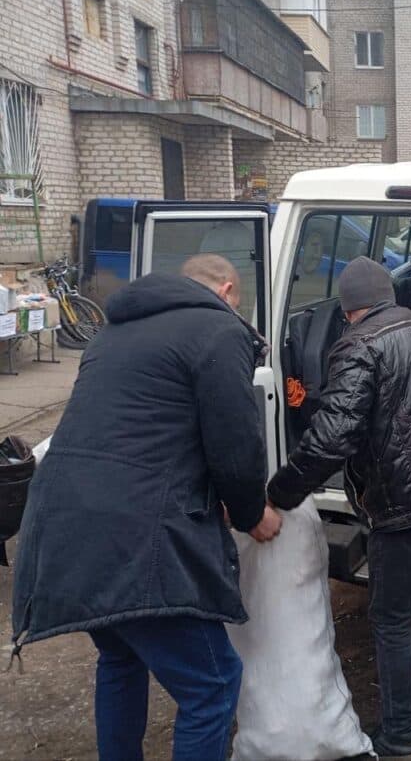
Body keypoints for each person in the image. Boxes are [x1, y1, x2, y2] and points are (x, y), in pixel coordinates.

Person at [12, 254, 281, 760]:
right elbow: (234, 444)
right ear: (226, 293)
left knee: (120, 658)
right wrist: (251, 512)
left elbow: (143, 431)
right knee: (214, 683)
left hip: (64, 523)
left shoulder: (114, 335)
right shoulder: (217, 330)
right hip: (132, 534)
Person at [266, 256, 411, 761]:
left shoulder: (358, 345)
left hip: (406, 501)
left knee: (390, 618)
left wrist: (280, 493)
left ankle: (400, 734)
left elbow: (330, 437)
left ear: (348, 307)